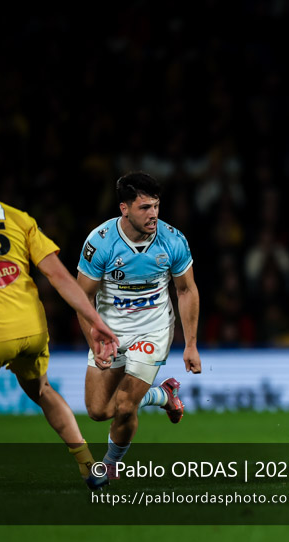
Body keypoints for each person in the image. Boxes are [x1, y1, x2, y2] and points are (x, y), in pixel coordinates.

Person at [0, 155, 120, 488]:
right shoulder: (19, 220)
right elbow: (59, 277)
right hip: (31, 328)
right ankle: (89, 466)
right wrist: (95, 321)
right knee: (43, 390)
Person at [76, 171, 201, 477]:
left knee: (123, 405)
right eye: (145, 207)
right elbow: (82, 299)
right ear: (124, 208)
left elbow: (185, 290)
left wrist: (191, 344)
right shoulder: (100, 243)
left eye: (156, 206)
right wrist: (96, 338)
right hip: (110, 333)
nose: (153, 214)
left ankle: (111, 464)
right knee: (98, 411)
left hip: (153, 330)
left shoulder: (172, 240)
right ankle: (163, 396)